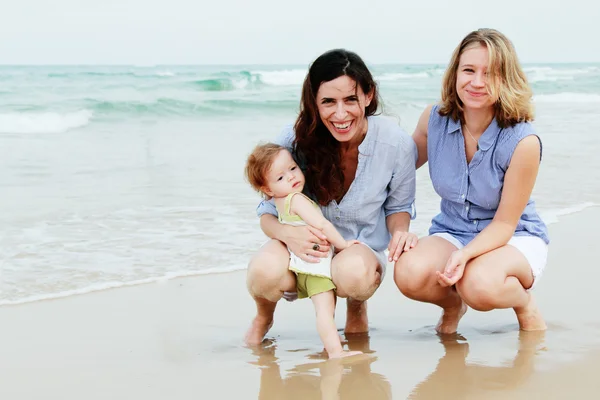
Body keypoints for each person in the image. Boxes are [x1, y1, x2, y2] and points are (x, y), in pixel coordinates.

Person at [244, 49, 417, 345]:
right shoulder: (294, 139)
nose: (340, 114)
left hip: (358, 246)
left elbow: (399, 206)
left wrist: (401, 233)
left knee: (353, 274)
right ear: (314, 102)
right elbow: (266, 212)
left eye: (350, 99)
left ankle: (356, 305)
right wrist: (288, 234)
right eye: (328, 102)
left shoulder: (396, 143)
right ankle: (264, 314)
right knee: (262, 271)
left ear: (368, 96)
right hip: (303, 247)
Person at [394, 28, 549, 334]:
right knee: (408, 272)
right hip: (452, 230)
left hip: (512, 236)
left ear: (506, 80)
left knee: (477, 285)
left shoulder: (523, 141)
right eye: (469, 70)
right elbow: (397, 172)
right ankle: (453, 306)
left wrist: (465, 256)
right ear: (455, 74)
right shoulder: (433, 120)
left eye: (490, 73)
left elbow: (505, 224)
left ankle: (524, 304)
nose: (477, 82)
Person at [244, 143, 362, 358]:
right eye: (280, 178)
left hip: (299, 266)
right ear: (267, 190)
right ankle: (335, 351)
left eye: (292, 168)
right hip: (315, 265)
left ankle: (251, 342)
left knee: (323, 310)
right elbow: (323, 225)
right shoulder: (297, 199)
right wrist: (343, 245)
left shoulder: (280, 202)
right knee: (325, 312)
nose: (290, 177)